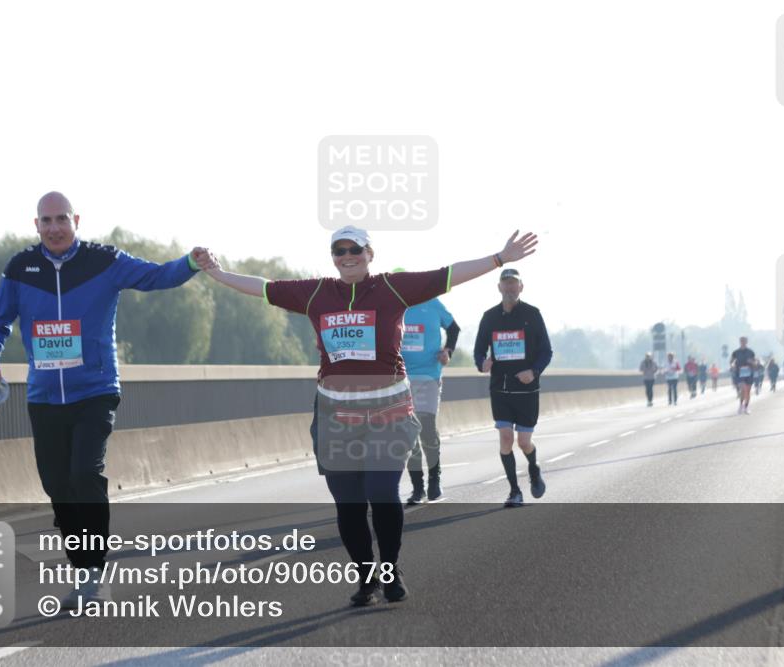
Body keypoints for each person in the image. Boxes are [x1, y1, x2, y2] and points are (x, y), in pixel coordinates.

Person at [197, 225, 538, 606]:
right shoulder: (316, 293)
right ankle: (366, 579)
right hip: (335, 414)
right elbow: (263, 287)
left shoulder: (393, 288)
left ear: (369, 253)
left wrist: (499, 259)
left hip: (388, 409)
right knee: (349, 504)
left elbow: (449, 274)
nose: (347, 256)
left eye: (354, 249)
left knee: (381, 493)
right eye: (338, 250)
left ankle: (390, 571)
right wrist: (216, 272)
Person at [0, 192, 204, 607]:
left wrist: (189, 262)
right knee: (57, 486)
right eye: (46, 221)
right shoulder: (20, 268)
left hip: (95, 390)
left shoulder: (104, 261)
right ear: (36, 225)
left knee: (85, 475)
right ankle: (82, 569)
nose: (54, 227)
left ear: (76, 220)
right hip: (44, 396)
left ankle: (95, 574)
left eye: (61, 219)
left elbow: (155, 277)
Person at [474, 268, 553, 508]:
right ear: (499, 287)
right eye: (505, 284)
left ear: (521, 287)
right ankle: (514, 491)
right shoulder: (489, 317)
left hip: (527, 391)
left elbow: (546, 351)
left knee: (524, 443)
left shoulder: (532, 314)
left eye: (513, 284)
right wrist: (482, 363)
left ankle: (533, 468)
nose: (509, 288)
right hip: (500, 389)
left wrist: (534, 371)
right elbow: (479, 350)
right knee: (506, 439)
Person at [395, 274, 460, 504]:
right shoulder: (393, 305)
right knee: (409, 433)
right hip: (401, 379)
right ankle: (417, 487)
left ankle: (435, 478)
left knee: (427, 427)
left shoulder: (431, 302)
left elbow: (454, 328)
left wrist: (448, 351)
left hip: (429, 376)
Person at [730, 336, 756, 414]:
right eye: (741, 341)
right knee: (743, 389)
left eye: (744, 341)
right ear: (740, 342)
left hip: (749, 373)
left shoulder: (750, 352)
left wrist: (751, 362)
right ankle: (741, 405)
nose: (743, 342)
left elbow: (755, 363)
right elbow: (731, 361)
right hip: (739, 372)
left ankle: (746, 407)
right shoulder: (736, 352)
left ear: (746, 342)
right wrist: (732, 365)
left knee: (748, 391)